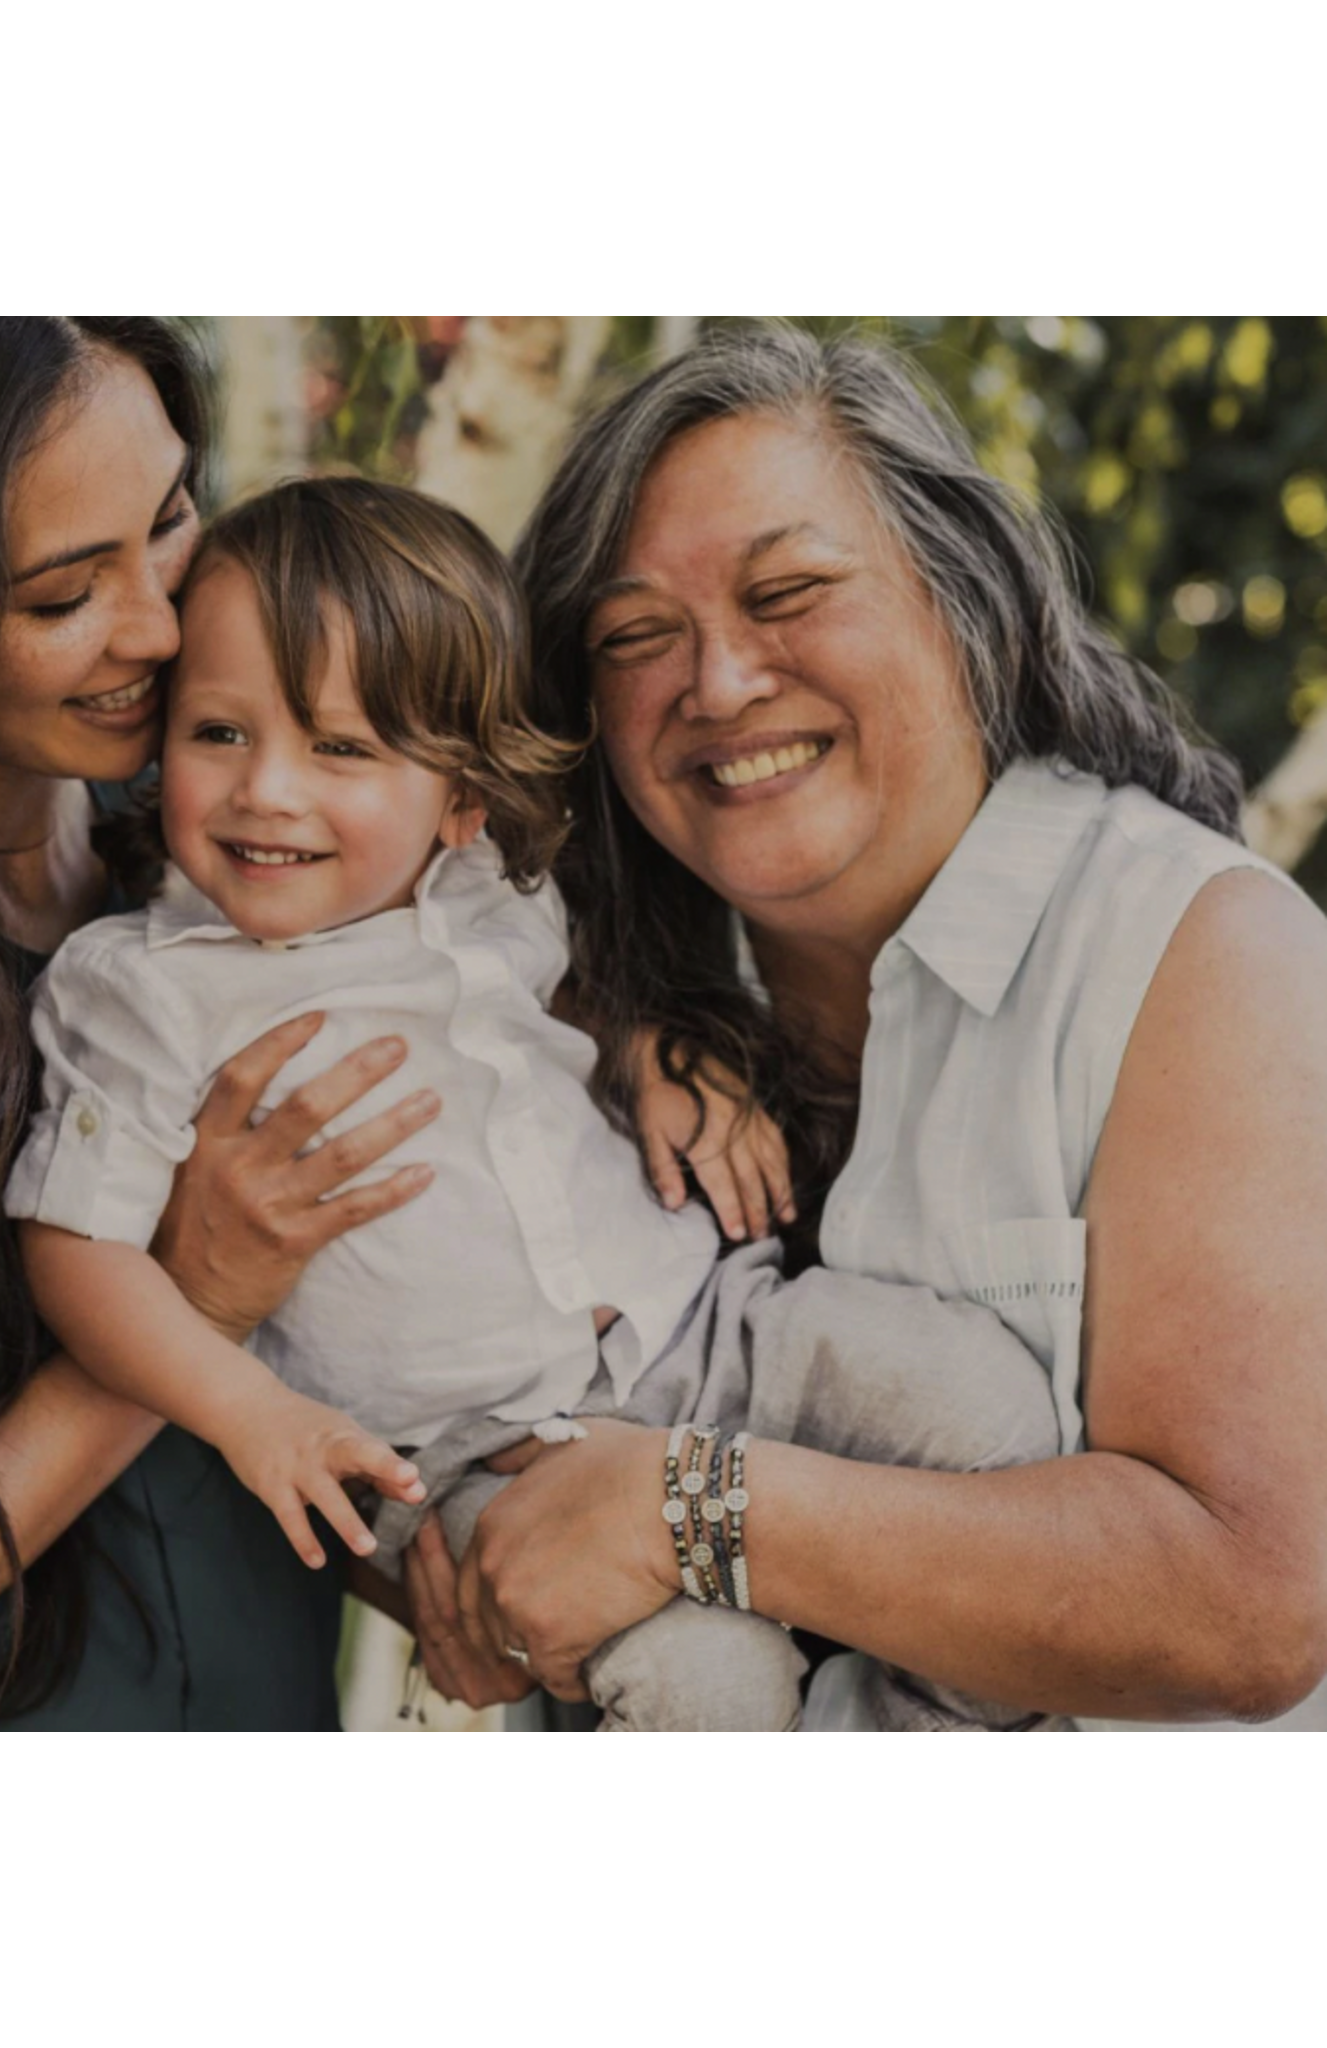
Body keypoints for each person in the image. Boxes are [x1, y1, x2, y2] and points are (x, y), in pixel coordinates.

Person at [11, 476, 1072, 1733]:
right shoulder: (139, 990)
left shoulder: (492, 893)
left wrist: (647, 1050)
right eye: (219, 733)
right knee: (707, 1689)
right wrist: (255, 1415)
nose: (267, 792)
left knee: (988, 1407)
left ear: (462, 796)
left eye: (341, 746)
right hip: (484, 1466)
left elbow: (568, 1004)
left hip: (709, 1331)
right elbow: (70, 1246)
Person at [403, 321, 1327, 1733]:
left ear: (969, 602)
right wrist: (473, 1589)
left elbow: (1249, 1608)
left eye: (792, 593)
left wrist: (686, 1510)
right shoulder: (556, 1013)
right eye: (639, 635)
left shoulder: (1196, 954)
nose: (718, 683)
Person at [0, 317, 439, 1733]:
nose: (163, 629)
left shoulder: (233, 843)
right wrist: (175, 1309)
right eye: (61, 596)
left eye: (171, 518)